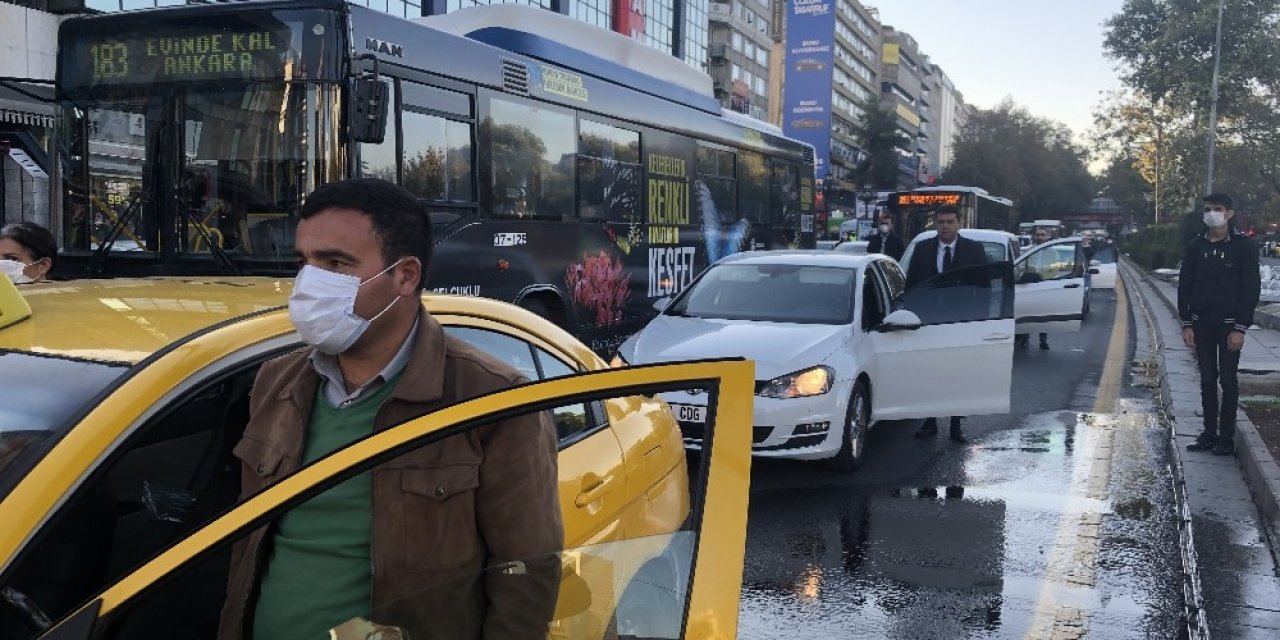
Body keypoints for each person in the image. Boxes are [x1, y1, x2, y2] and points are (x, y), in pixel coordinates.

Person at [218, 178, 563, 640]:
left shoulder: (494, 402)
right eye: (304, 262)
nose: (309, 283)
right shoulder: (276, 382)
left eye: (335, 263)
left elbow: (526, 573)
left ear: (405, 275)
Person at [1179, 193, 1261, 457]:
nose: (1211, 214)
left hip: (1229, 326)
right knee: (1206, 379)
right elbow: (1185, 286)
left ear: (1229, 213)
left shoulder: (1243, 247)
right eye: (1207, 209)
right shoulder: (1195, 246)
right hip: (1202, 324)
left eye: (1217, 209)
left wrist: (1241, 327)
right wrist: (1186, 323)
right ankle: (1209, 432)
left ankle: (1226, 437)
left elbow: (1250, 289)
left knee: (1227, 378)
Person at [904, 206, 989, 443]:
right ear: (935, 224)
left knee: (958, 374)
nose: (945, 226)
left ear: (959, 223)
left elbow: (984, 288)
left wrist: (980, 320)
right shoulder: (922, 250)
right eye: (941, 222)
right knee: (930, 372)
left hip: (961, 322)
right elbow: (912, 285)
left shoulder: (973, 249)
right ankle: (930, 421)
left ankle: (955, 424)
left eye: (950, 221)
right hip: (929, 322)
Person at [1016, 227, 1053, 350]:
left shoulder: (1053, 253)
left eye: (1043, 235)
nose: (1040, 237)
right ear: (1034, 236)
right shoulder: (1027, 251)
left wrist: (1044, 278)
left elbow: (1054, 270)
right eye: (1038, 235)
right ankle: (1025, 339)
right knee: (1028, 313)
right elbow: (1021, 267)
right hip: (1029, 286)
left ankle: (1043, 341)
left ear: (1047, 237)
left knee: (1043, 314)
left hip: (1045, 286)